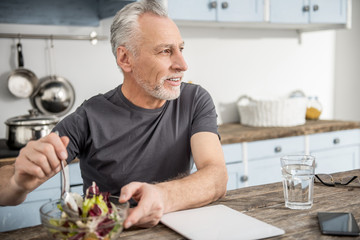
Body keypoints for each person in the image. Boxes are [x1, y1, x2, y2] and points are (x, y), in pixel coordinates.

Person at [0, 0, 228, 229]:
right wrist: (18, 181)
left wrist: (162, 196)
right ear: (125, 59)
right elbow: (7, 192)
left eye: (181, 48)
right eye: (165, 51)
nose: (182, 64)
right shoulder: (89, 117)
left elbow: (216, 177)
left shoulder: (194, 100)